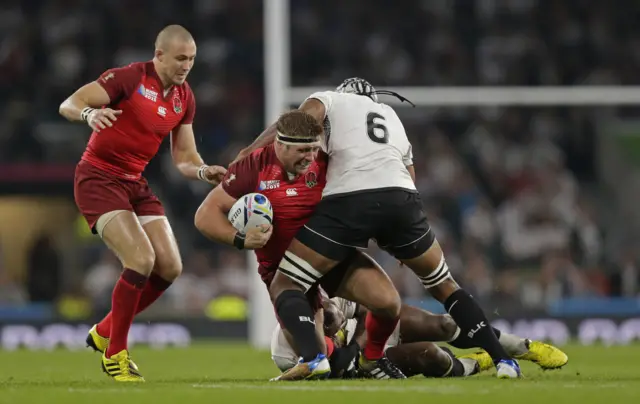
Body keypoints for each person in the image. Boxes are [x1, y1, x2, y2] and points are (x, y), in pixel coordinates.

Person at [236, 77, 522, 379]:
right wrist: (401, 238)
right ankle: (505, 361)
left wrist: (250, 151)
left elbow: (300, 123)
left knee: (287, 281)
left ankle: (314, 357)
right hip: (403, 201)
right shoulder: (392, 117)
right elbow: (409, 176)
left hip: (350, 198)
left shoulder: (329, 99)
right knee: (445, 286)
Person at [59, 24, 226, 382]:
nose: (186, 66)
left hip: (134, 183)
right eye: (180, 58)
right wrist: (89, 115)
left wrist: (202, 172)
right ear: (159, 54)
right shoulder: (130, 77)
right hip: (98, 179)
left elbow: (184, 157)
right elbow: (69, 103)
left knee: (169, 268)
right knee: (141, 259)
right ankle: (115, 352)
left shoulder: (184, 97)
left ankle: (104, 330)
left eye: (192, 59)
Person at [195, 110, 405, 380]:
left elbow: (365, 201)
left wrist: (393, 237)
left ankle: (371, 358)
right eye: (303, 150)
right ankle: (330, 355)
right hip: (282, 271)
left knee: (389, 303)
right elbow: (205, 215)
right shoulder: (253, 167)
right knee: (324, 360)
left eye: (314, 149)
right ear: (279, 145)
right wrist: (240, 239)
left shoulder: (328, 163)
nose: (310, 157)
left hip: (328, 256)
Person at [271, 288, 569, 379]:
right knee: (433, 357)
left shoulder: (332, 298)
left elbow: (370, 309)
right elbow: (343, 361)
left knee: (445, 325)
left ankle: (520, 347)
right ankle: (479, 362)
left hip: (367, 340)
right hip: (354, 364)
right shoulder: (300, 338)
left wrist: (365, 337)